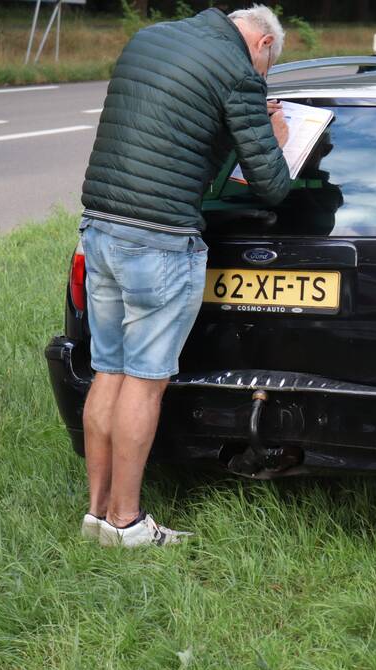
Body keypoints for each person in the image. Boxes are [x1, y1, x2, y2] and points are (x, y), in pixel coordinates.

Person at [78, 5, 291, 547]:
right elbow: (271, 185)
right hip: (159, 240)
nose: (261, 75)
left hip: (99, 227)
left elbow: (173, 133)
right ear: (263, 44)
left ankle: (97, 516)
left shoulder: (150, 38)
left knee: (107, 371)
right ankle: (127, 523)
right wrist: (279, 136)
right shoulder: (239, 71)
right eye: (268, 66)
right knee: (144, 382)